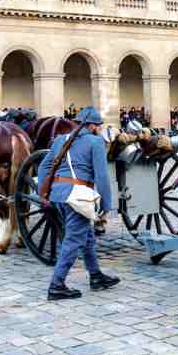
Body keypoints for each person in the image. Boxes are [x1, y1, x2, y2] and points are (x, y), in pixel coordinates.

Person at [38, 107, 119, 300]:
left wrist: (43, 194)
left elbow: (43, 166)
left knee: (87, 235)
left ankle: (96, 276)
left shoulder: (60, 140)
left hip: (59, 196)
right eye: (98, 126)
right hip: (78, 196)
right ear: (92, 126)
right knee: (73, 240)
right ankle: (57, 285)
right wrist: (106, 205)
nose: (99, 129)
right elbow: (101, 176)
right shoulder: (95, 141)